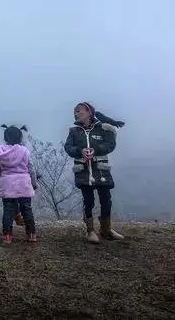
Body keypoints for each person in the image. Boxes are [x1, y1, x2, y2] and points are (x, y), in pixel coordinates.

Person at [64, 102, 124, 244]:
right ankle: (90, 231)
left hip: (101, 170)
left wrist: (95, 150)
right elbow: (68, 147)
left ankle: (106, 229)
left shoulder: (102, 128)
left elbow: (110, 145)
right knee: (88, 201)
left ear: (89, 112)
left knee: (106, 200)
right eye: (75, 112)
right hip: (83, 171)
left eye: (79, 111)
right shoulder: (74, 131)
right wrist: (80, 151)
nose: (76, 114)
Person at [0, 125, 38, 243]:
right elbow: (31, 168)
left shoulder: (0, 152)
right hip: (24, 184)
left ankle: (7, 236)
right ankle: (31, 234)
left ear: (5, 137)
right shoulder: (24, 151)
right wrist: (34, 183)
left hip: (7, 184)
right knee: (27, 210)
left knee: (8, 210)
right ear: (20, 137)